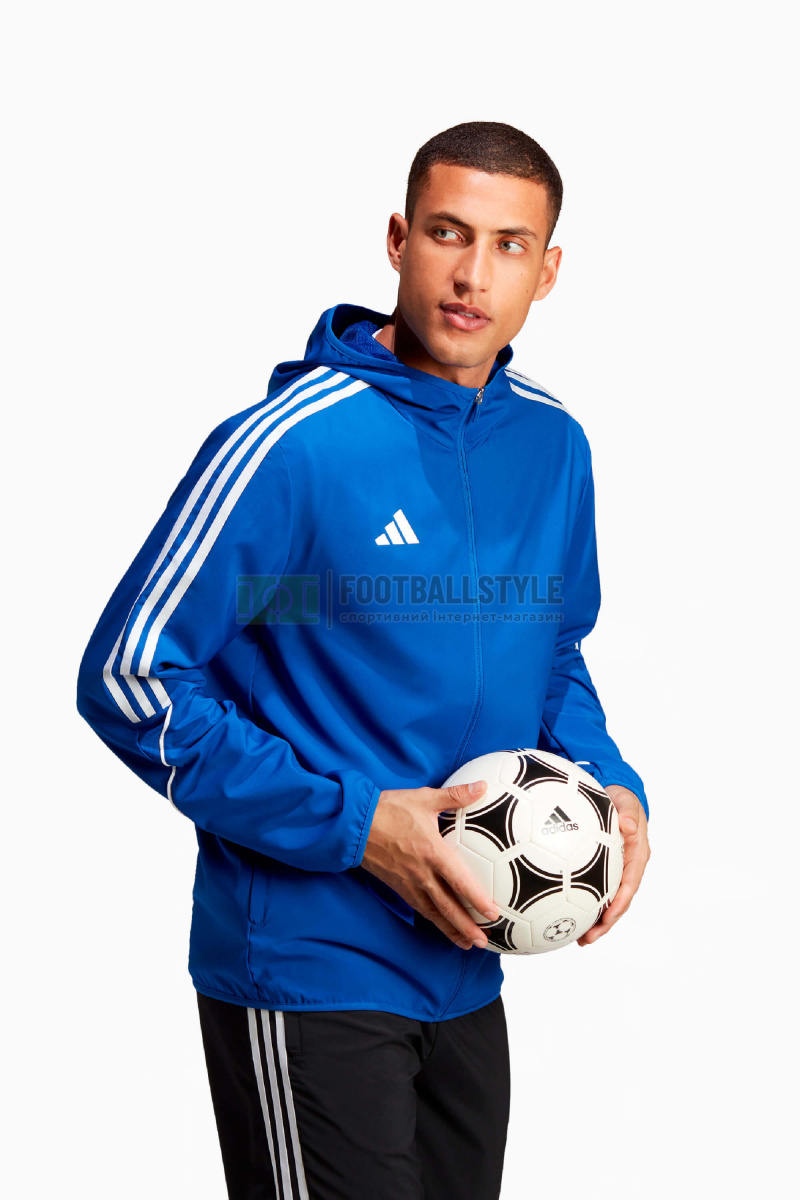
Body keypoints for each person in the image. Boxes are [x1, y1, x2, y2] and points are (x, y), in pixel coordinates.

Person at [76, 120, 651, 1200]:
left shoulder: (552, 445)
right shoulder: (291, 442)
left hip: (466, 963)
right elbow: (131, 678)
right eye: (448, 233)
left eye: (510, 245)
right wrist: (356, 826)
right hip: (308, 962)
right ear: (397, 239)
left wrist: (608, 785)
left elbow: (553, 651)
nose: (473, 276)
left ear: (547, 270)